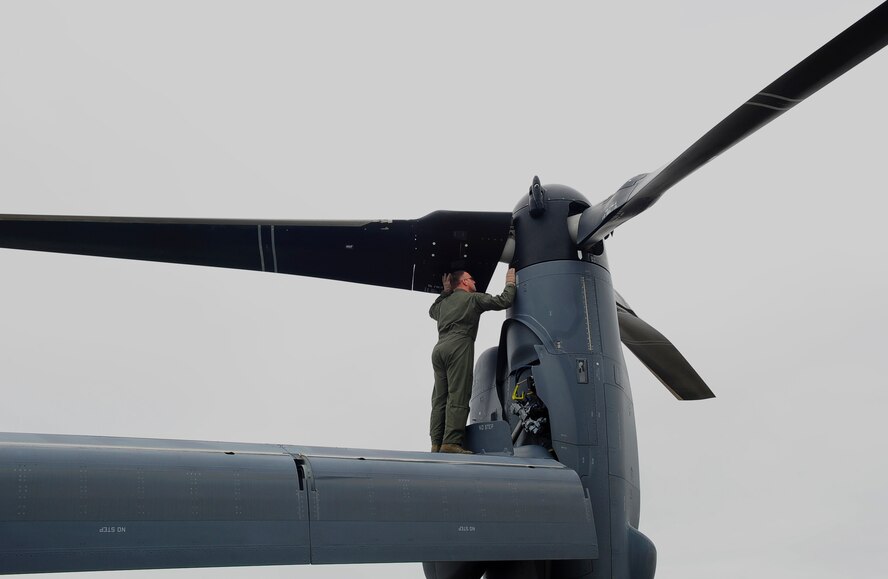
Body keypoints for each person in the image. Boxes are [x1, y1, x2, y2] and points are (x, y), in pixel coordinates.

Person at [429, 268, 517, 453]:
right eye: (471, 278)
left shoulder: (444, 303)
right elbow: (504, 300)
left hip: (439, 349)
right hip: (459, 345)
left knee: (439, 399)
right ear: (464, 282)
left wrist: (445, 292)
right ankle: (450, 443)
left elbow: (432, 311)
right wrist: (510, 283)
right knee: (458, 394)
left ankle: (436, 444)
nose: (474, 281)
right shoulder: (473, 298)